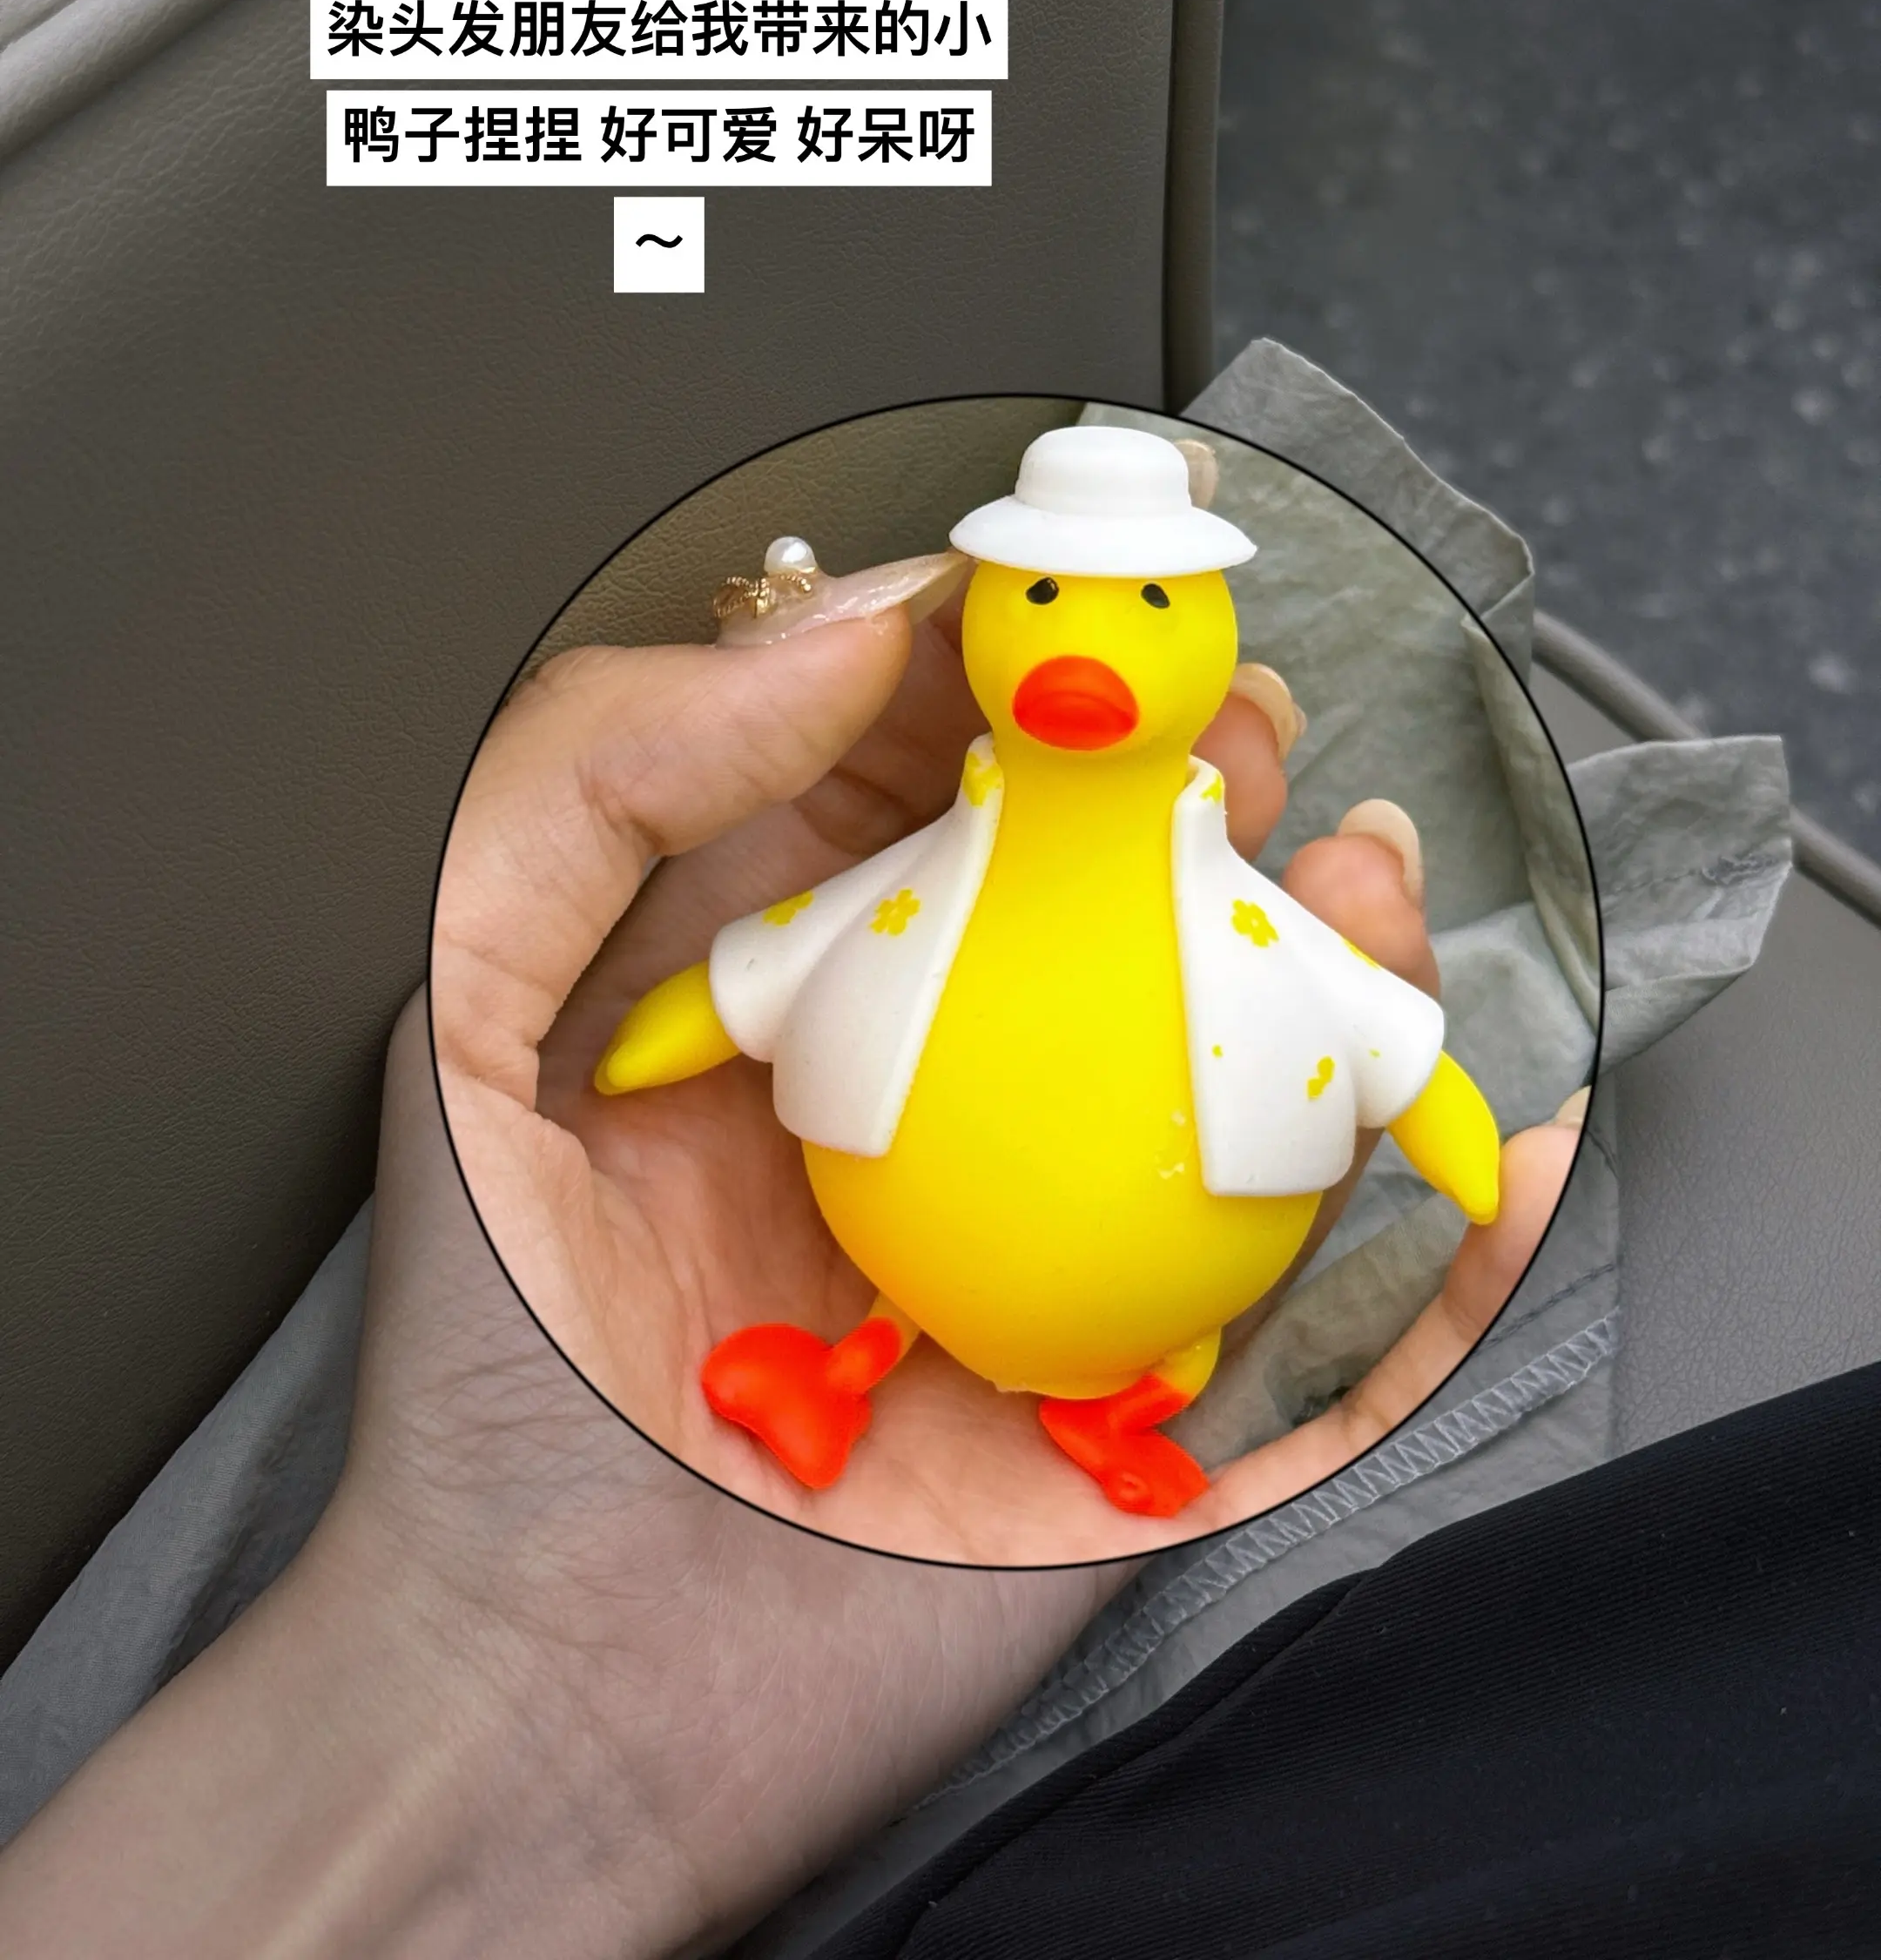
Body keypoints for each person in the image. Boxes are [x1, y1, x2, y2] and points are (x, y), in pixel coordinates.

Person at [0, 589, 1575, 1957]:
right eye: (1053, 600)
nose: (1086, 650)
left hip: (1116, 1321)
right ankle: (898, 1363)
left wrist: (508, 1705)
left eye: (1147, 606)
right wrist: (507, 1664)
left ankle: (1073, 1385)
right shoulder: (948, 869)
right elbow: (790, 959)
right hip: (905, 1292)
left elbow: (1378, 1043)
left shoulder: (1212, 918)